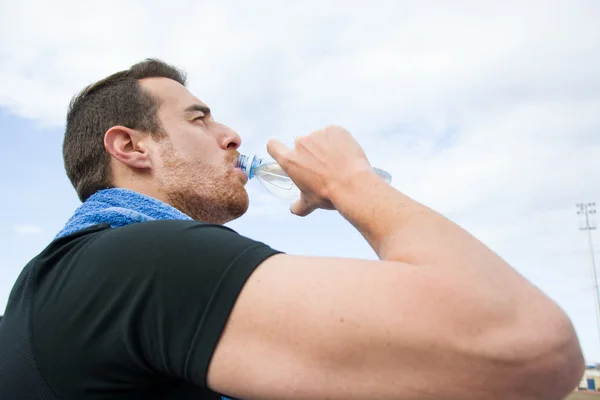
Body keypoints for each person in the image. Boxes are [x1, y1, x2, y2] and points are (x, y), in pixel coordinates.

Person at [0, 59, 584, 400]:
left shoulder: (56, 279)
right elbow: (528, 344)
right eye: (199, 118)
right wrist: (352, 181)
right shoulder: (142, 263)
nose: (232, 136)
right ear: (130, 147)